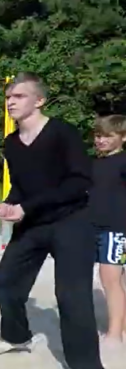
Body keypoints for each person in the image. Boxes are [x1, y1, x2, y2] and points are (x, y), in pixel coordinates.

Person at [0, 72, 103, 369]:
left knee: (71, 294)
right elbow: (22, 188)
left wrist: (26, 206)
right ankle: (18, 337)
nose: (11, 102)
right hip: (34, 222)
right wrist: (10, 204)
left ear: (39, 100)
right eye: (9, 97)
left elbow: (80, 182)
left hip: (71, 221)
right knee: (6, 282)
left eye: (19, 96)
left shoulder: (62, 133)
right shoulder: (11, 143)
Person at [89, 114, 126, 348]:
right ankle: (120, 326)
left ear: (122, 137)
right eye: (98, 135)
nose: (101, 140)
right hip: (93, 227)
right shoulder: (95, 163)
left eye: (107, 136)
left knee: (110, 279)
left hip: (116, 229)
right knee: (114, 280)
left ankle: (115, 333)